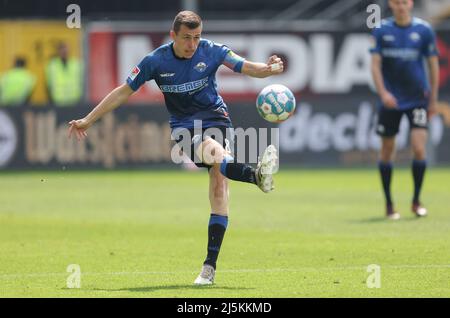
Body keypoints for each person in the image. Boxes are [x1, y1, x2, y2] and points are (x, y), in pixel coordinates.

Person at [68, 11, 283, 284]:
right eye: (186, 38)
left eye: (196, 37)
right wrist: (88, 119)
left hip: (216, 118)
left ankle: (209, 268)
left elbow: (246, 66)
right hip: (184, 128)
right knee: (215, 154)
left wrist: (269, 68)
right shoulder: (155, 61)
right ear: (173, 36)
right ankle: (255, 176)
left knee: (219, 186)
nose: (192, 44)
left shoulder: (212, 51)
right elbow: (123, 90)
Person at [370, 0, 439, 220]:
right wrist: (383, 94)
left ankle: (416, 201)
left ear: (410, 4)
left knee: (419, 148)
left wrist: (433, 99)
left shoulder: (424, 30)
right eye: (397, 2)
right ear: (391, 4)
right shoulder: (382, 30)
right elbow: (375, 65)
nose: (401, 6)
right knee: (387, 150)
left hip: (418, 98)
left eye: (404, 2)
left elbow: (433, 65)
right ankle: (389, 204)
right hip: (392, 100)